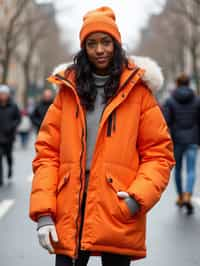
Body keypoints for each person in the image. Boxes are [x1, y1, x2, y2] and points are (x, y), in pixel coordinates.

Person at [29, 6, 175, 266]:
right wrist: (43, 213)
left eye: (106, 42)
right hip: (70, 205)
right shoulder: (67, 92)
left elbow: (159, 154)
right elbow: (47, 154)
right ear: (83, 48)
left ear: (116, 44)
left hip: (117, 206)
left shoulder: (139, 93)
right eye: (92, 43)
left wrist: (135, 199)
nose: (99, 50)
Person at [163, 74, 200, 215]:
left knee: (178, 169)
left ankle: (179, 196)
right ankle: (188, 195)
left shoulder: (170, 101)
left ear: (177, 84)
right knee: (191, 170)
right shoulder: (197, 100)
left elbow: (166, 121)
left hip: (177, 140)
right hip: (192, 139)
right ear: (189, 83)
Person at [0, 84, 21, 186]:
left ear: (8, 95)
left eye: (4, 94)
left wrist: (12, 126)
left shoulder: (13, 106)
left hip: (9, 136)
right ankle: (0, 179)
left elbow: (18, 118)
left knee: (8, 155)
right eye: (1, 94)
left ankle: (10, 168)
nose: (3, 96)